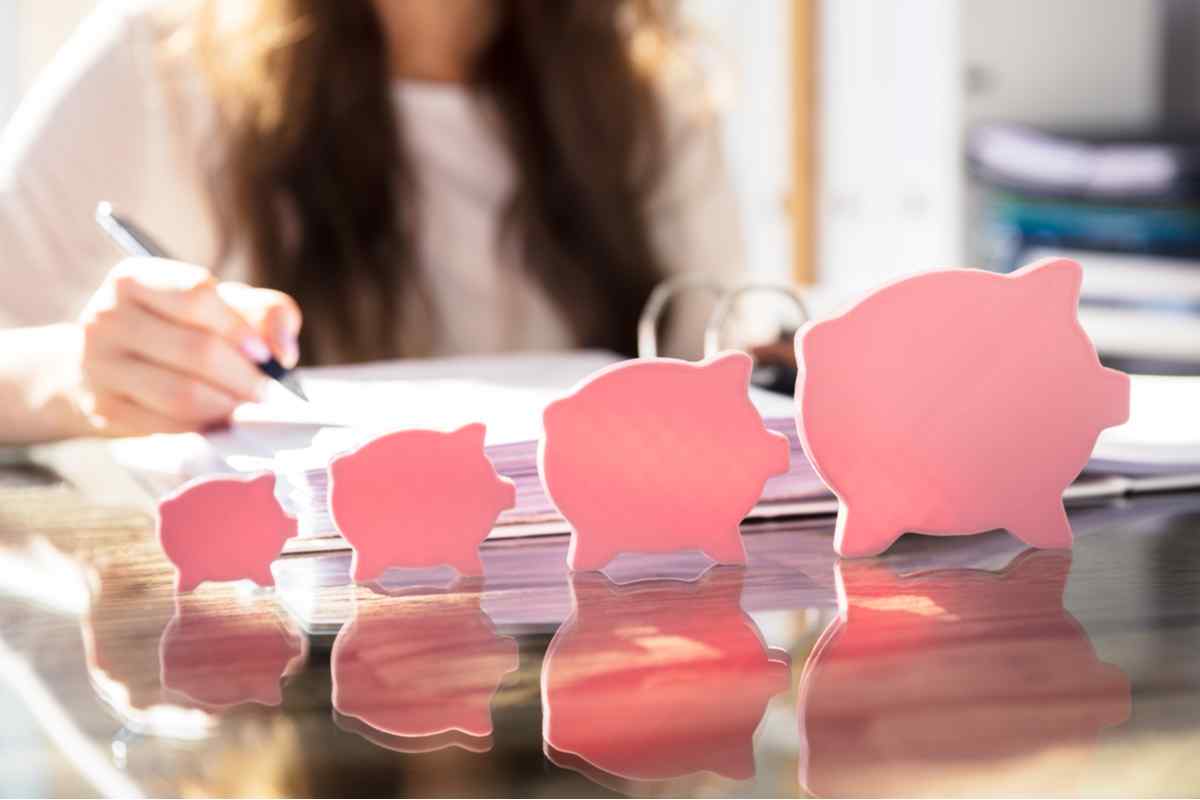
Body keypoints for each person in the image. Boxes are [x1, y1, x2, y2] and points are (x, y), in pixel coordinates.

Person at [0, 0, 742, 443]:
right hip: (272, 663)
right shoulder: (161, 56)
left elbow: (714, 372)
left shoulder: (650, 99)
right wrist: (78, 377)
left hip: (591, 653)